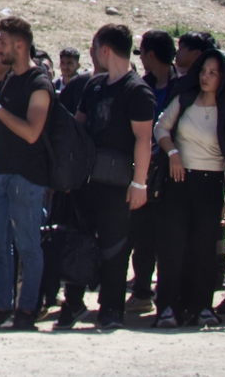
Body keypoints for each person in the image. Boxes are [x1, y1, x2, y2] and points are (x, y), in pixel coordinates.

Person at [55, 24, 154, 331]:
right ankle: (72, 305)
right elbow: (78, 129)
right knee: (77, 243)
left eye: (96, 46)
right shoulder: (93, 87)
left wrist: (139, 183)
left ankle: (111, 310)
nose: (93, 51)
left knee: (114, 249)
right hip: (86, 183)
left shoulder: (137, 91)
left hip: (118, 187)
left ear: (105, 50)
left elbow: (143, 139)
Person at [0, 16, 52, 330]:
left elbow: (32, 132)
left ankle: (27, 310)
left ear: (19, 45)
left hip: (27, 177)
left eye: (2, 43)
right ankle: (2, 305)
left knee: (28, 244)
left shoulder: (38, 83)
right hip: (1, 175)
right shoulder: (11, 80)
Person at [155, 49, 225, 328]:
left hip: (211, 185)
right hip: (179, 180)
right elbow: (161, 128)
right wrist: (173, 153)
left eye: (213, 73)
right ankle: (166, 306)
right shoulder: (185, 99)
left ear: (223, 78)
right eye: (203, 71)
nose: (205, 76)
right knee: (173, 247)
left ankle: (202, 307)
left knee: (204, 250)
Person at [129, 29, 177, 312]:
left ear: (150, 55)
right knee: (142, 233)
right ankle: (142, 291)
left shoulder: (182, 87)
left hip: (174, 172)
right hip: (146, 171)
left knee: (169, 236)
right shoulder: (142, 86)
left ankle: (168, 295)